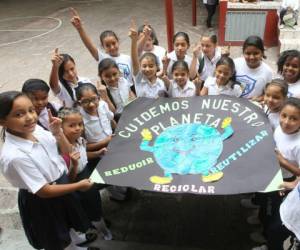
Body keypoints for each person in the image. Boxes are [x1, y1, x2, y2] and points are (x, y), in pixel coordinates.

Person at [0, 91, 95, 250]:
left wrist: (58, 133)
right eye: (19, 114)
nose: (30, 117)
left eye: (31, 110)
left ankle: (76, 245)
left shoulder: (35, 129)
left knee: (68, 222)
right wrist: (78, 185)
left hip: (61, 184)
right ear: (3, 121)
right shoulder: (15, 156)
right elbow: (43, 191)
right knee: (56, 235)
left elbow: (66, 151)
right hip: (43, 199)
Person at [58, 107, 112, 240]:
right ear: (61, 128)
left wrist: (97, 153)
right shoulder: (61, 150)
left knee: (94, 203)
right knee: (89, 208)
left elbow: (83, 155)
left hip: (86, 174)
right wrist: (74, 165)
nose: (77, 128)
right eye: (71, 125)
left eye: (80, 124)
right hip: (76, 181)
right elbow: (69, 178)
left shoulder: (80, 141)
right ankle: (103, 232)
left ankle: (99, 224)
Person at [253, 97, 300, 250]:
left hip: (284, 181)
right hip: (270, 173)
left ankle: (266, 238)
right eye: (284, 116)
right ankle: (260, 221)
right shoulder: (280, 130)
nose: (286, 122)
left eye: (294, 118)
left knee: (273, 210)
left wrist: (283, 162)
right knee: (263, 199)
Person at [75, 83, 126, 201]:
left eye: (94, 99)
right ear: (79, 103)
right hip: (98, 153)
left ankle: (121, 189)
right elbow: (84, 147)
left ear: (98, 97)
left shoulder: (103, 105)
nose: (92, 104)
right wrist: (105, 142)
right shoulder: (79, 120)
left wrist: (120, 132)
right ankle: (114, 192)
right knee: (112, 177)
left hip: (113, 144)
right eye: (86, 101)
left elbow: (111, 119)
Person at [70, 8, 134, 84]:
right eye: (107, 45)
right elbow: (89, 45)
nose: (112, 47)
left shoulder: (128, 58)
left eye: (114, 43)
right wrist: (80, 28)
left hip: (129, 94)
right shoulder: (103, 58)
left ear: (118, 42)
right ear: (103, 47)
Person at [129, 22, 166, 98]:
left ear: (157, 67)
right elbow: (134, 59)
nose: (147, 69)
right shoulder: (139, 79)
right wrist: (133, 41)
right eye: (144, 66)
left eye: (151, 66)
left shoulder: (162, 82)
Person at [234, 36, 273, 100]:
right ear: (243, 53)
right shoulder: (235, 63)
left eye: (256, 53)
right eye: (248, 53)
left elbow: (269, 94)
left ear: (262, 53)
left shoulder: (268, 72)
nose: (252, 57)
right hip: (233, 103)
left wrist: (261, 98)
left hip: (252, 107)